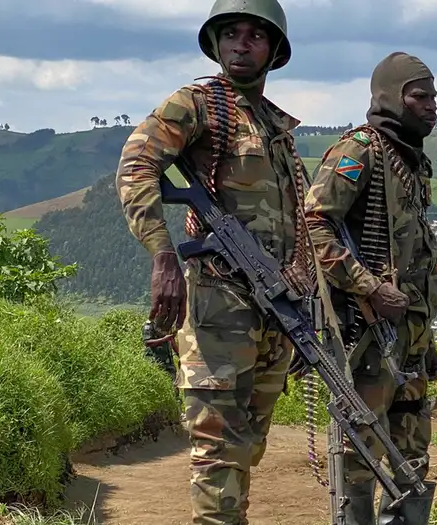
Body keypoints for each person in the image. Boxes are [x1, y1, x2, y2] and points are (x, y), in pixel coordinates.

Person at [114, 1, 343, 522]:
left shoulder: (273, 125)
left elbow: (298, 222)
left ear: (274, 50)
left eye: (256, 36)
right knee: (218, 453)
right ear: (216, 43)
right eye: (232, 33)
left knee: (247, 447)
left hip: (276, 311)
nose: (242, 43)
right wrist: (162, 255)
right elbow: (137, 165)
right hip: (219, 306)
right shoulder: (196, 104)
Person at [303, 51, 437, 525]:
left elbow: (415, 257)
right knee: (361, 456)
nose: (431, 106)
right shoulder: (359, 151)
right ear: (390, 97)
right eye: (419, 96)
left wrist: (426, 342)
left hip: (408, 340)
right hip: (366, 336)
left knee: (412, 457)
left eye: (434, 97)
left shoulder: (410, 160)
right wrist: (367, 286)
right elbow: (315, 225)